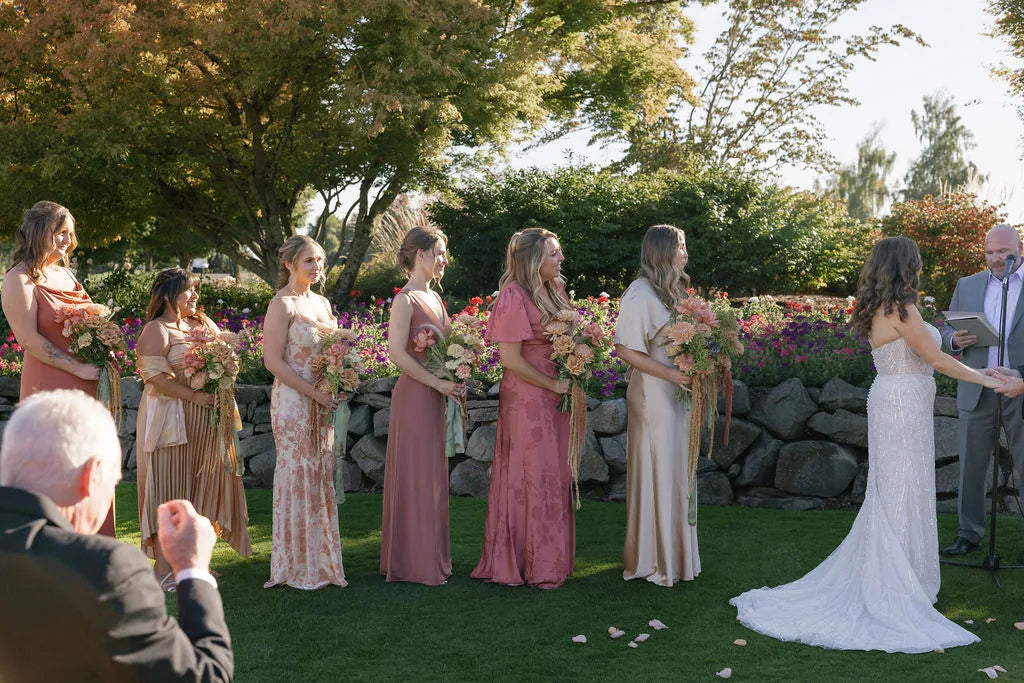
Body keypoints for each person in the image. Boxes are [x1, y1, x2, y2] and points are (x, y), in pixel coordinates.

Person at [730, 236, 1001, 653]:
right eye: (916, 261)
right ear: (906, 265)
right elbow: (936, 360)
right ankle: (899, 581)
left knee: (894, 489)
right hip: (903, 401)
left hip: (893, 397)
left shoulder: (878, 307)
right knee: (901, 489)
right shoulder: (903, 309)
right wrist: (987, 379)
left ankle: (904, 575)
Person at [0, 390, 233, 682]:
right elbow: (204, 677)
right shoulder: (103, 568)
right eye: (113, 482)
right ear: (93, 474)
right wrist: (192, 569)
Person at [0, 201, 113, 536]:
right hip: (50, 385)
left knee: (90, 462)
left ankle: (95, 546)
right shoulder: (19, 279)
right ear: (39, 233)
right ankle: (52, 550)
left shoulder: (66, 273)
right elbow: (29, 340)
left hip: (86, 383)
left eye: (70, 233)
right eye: (60, 232)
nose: (68, 240)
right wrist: (77, 369)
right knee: (56, 465)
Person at [470, 227, 575, 589]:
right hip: (528, 397)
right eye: (553, 253)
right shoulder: (513, 295)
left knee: (554, 473)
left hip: (557, 395)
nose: (560, 258)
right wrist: (552, 384)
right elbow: (510, 360)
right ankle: (528, 563)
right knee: (531, 474)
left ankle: (550, 559)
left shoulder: (555, 289)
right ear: (532, 259)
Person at [135, 268, 252, 590]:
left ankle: (192, 563)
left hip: (205, 421)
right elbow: (154, 377)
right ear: (168, 296)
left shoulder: (200, 324)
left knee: (201, 489)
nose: (196, 296)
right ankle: (163, 569)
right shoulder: (156, 330)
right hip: (171, 421)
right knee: (169, 490)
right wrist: (195, 396)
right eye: (189, 290)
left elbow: (224, 359)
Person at [613, 225, 698, 587]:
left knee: (676, 470)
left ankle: (676, 558)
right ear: (661, 251)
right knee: (656, 469)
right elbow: (625, 349)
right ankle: (653, 561)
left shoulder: (673, 293)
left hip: (676, 393)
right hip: (653, 394)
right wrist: (670, 374)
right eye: (679, 246)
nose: (685, 253)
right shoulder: (640, 294)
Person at [262, 235, 347, 589]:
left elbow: (332, 354)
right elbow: (272, 362)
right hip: (294, 404)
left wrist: (340, 379)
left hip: (323, 401)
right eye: (309, 260)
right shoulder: (281, 305)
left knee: (320, 474)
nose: (316, 267)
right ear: (289, 264)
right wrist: (314, 394)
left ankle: (322, 565)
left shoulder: (323, 303)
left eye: (319, 260)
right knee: (298, 475)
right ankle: (296, 567)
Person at [381, 226, 464, 585]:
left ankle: (429, 557)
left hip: (436, 395)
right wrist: (437, 383)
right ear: (421, 255)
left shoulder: (435, 298)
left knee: (432, 476)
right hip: (416, 395)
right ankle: (412, 563)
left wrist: (457, 371)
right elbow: (397, 354)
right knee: (416, 475)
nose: (445, 260)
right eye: (439, 253)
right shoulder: (405, 300)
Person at [939, 223, 1024, 556]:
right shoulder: (967, 284)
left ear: (1019, 249)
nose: (996, 258)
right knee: (971, 467)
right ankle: (968, 533)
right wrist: (955, 340)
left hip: (1019, 387)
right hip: (977, 386)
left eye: (1003, 252)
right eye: (989, 252)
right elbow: (946, 332)